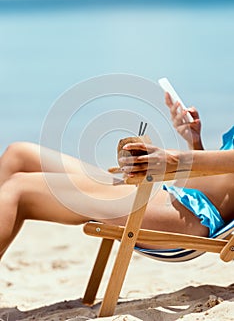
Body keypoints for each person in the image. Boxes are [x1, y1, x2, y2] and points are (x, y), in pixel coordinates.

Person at [0, 93, 233, 259]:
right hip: (169, 197)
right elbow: (220, 182)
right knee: (19, 154)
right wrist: (193, 141)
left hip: (187, 217)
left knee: (19, 187)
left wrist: (174, 159)